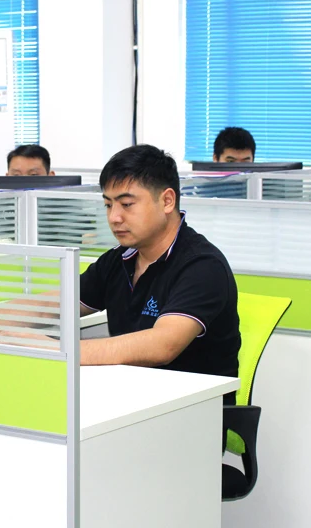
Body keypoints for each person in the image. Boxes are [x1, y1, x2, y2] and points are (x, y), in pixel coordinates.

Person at [78, 144, 241, 383]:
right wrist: (14, 321)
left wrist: (63, 351)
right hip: (132, 393)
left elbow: (162, 345)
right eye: (108, 205)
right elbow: (57, 304)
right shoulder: (120, 258)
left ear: (167, 201)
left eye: (127, 204)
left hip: (192, 402)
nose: (114, 217)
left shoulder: (203, 266)